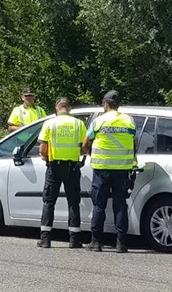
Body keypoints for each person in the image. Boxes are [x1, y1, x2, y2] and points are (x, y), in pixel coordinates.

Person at [81, 91, 136, 253]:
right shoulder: (129, 120)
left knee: (99, 205)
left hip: (102, 169)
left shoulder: (99, 120)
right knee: (120, 205)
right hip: (122, 169)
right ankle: (121, 244)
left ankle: (96, 242)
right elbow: (135, 141)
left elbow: (85, 143)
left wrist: (89, 154)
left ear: (105, 104)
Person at [37, 98, 88, 249]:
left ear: (57, 108)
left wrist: (46, 158)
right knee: (73, 202)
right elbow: (85, 147)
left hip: (54, 167)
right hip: (72, 167)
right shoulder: (78, 124)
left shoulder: (50, 124)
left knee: (48, 202)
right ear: (69, 109)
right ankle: (74, 240)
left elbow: (42, 149)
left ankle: (45, 240)